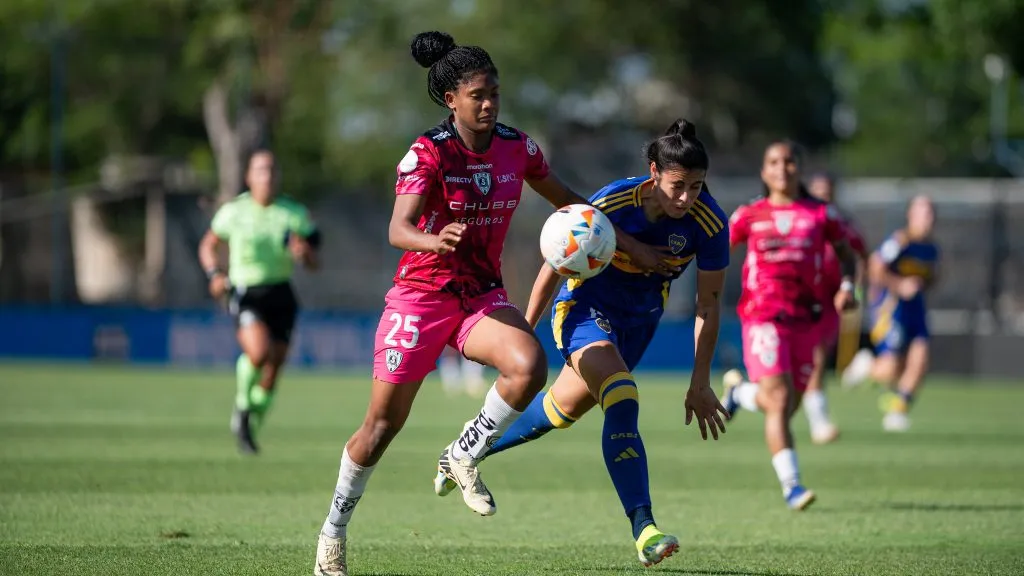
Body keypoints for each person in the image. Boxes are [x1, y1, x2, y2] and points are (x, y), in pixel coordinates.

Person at [313, 31, 675, 576]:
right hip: (420, 297)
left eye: (495, 93)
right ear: (451, 100)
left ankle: (463, 453)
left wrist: (627, 244)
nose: (488, 104)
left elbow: (571, 203)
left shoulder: (517, 148)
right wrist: (432, 239)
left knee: (528, 365)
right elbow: (398, 228)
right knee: (381, 427)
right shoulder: (428, 152)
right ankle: (333, 532)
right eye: (477, 95)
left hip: (480, 294)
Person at [435, 119, 730, 567]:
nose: (687, 198)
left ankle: (461, 452)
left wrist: (700, 381)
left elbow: (708, 305)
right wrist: (523, 331)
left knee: (558, 411)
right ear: (654, 173)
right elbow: (555, 262)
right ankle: (645, 529)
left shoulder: (709, 223)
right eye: (677, 186)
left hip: (639, 324)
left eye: (696, 186)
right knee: (623, 396)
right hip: (584, 312)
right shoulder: (613, 202)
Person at [721, 141, 858, 510]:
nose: (782, 168)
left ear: (800, 168)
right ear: (764, 172)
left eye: (789, 161)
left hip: (806, 319)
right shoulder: (749, 214)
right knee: (780, 400)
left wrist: (847, 287)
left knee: (784, 404)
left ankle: (738, 394)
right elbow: (717, 249)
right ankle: (792, 486)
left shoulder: (821, 213)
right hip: (762, 317)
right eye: (774, 162)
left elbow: (848, 255)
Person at [197, 149, 320, 455]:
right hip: (246, 292)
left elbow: (314, 260)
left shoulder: (292, 213)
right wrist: (214, 274)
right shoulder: (234, 211)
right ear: (249, 176)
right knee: (259, 352)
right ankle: (242, 407)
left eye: (273, 169)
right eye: (261, 169)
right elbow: (208, 245)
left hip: (281, 293)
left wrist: (304, 254)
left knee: (273, 369)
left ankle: (250, 425)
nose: (268, 175)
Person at [847, 195, 939, 432]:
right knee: (891, 369)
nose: (927, 219)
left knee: (920, 359)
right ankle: (868, 366)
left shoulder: (931, 248)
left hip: (916, 309)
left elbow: (932, 277)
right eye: (922, 213)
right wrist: (899, 285)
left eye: (930, 214)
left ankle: (898, 411)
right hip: (891, 308)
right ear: (911, 215)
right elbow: (875, 267)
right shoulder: (899, 241)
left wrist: (927, 282)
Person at [800, 173, 868, 444]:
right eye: (818, 190)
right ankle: (819, 422)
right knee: (801, 364)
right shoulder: (799, 219)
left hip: (830, 300)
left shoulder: (841, 224)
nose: (823, 196)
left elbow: (860, 254)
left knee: (815, 359)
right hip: (799, 297)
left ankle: (818, 421)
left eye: (827, 191)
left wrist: (853, 288)